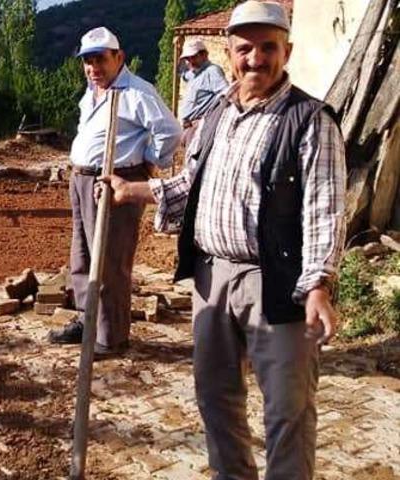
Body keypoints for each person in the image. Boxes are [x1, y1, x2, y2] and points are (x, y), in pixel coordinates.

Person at [97, 2, 346, 478]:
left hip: (277, 282)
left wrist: (317, 284)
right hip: (211, 276)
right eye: (245, 49)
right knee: (216, 398)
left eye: (268, 48)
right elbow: (191, 184)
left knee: (287, 410)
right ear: (229, 53)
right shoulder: (217, 115)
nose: (256, 59)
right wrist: (132, 190)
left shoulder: (310, 120)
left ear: (286, 51)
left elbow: (324, 209)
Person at [46, 26, 181, 360]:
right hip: (81, 180)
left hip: (113, 182)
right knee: (82, 257)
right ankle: (86, 319)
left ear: (118, 57)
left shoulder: (135, 92)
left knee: (110, 262)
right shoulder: (93, 91)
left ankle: (111, 337)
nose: (93, 68)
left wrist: (149, 163)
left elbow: (170, 131)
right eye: (88, 62)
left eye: (100, 60)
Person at [178, 38, 228, 148]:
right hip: (189, 128)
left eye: (194, 57)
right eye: (188, 58)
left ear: (204, 55)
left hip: (199, 128)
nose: (190, 61)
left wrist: (208, 120)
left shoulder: (212, 71)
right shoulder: (194, 73)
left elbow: (226, 95)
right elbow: (182, 74)